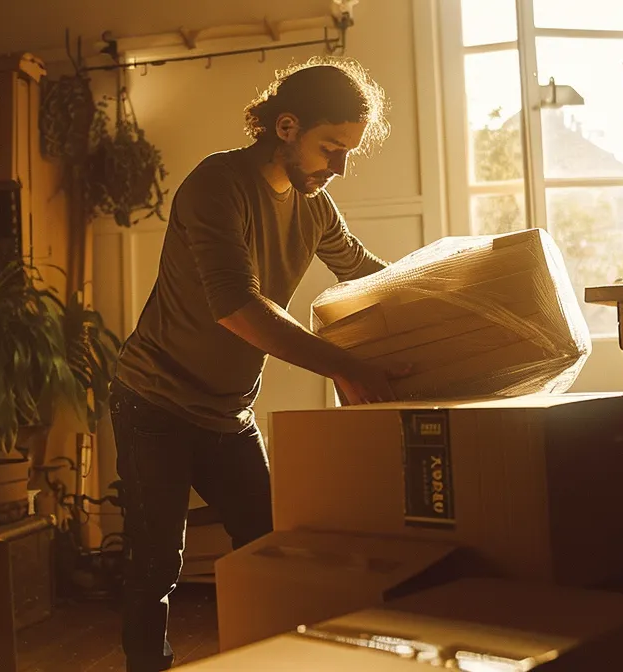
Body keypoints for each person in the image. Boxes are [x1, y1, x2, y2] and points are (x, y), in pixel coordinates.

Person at [108, 58, 401, 671]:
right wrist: (345, 366)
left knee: (268, 545)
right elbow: (238, 308)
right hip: (153, 402)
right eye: (332, 148)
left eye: (349, 151)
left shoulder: (314, 205)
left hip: (227, 412)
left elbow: (367, 274)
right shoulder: (217, 185)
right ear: (286, 126)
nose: (339, 167)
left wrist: (443, 290)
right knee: (158, 559)